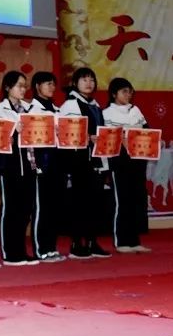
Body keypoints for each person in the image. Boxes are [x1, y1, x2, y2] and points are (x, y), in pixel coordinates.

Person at [59, 67, 112, 259]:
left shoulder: (96, 106)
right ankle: (76, 244)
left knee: (94, 203)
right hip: (78, 161)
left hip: (96, 160)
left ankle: (91, 242)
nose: (89, 83)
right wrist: (87, 137)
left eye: (91, 80)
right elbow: (65, 132)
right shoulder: (70, 105)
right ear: (75, 83)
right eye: (84, 80)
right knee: (79, 203)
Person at [0, 71, 40, 266]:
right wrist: (13, 130)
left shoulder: (30, 108)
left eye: (24, 86)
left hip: (29, 163)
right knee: (11, 208)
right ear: (7, 87)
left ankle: (21, 250)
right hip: (9, 165)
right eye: (19, 85)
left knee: (26, 209)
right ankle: (10, 252)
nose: (23, 89)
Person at [103, 77, 151, 253]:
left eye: (130, 92)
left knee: (136, 199)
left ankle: (134, 240)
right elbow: (107, 138)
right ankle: (121, 241)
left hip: (138, 161)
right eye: (124, 91)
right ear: (114, 94)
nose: (128, 95)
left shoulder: (135, 110)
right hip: (119, 162)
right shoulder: (107, 113)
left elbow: (147, 130)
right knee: (122, 200)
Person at [30, 72, 66, 262]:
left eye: (53, 84)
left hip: (58, 162)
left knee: (55, 207)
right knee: (42, 207)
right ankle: (41, 249)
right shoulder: (32, 110)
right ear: (37, 86)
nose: (52, 87)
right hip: (42, 163)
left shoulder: (58, 110)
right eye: (47, 84)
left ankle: (51, 247)